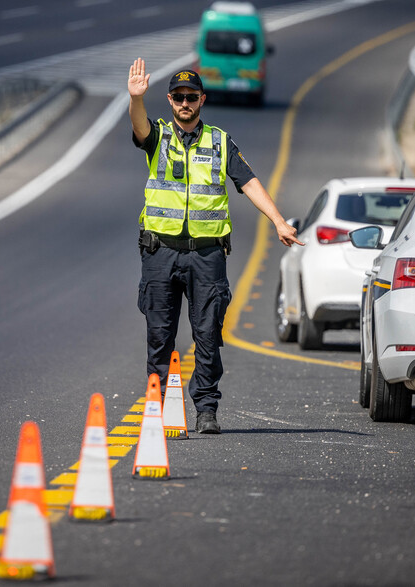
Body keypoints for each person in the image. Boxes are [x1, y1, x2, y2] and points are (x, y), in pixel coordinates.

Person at [127, 57, 303, 434]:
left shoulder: (219, 141)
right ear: (171, 101)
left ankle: (206, 410)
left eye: (191, 97)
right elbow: (139, 127)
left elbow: (249, 181)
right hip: (160, 252)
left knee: (207, 334)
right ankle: (155, 409)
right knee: (160, 335)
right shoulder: (158, 136)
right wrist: (135, 98)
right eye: (178, 97)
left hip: (207, 255)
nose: (184, 103)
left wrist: (278, 221)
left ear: (202, 100)